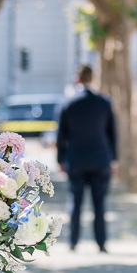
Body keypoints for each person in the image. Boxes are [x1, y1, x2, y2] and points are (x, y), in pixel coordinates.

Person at [55, 64, 117, 252]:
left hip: (76, 160)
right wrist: (114, 158)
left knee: (75, 203)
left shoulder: (67, 103)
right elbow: (112, 134)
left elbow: (60, 136)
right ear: (93, 78)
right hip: (100, 159)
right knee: (99, 204)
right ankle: (101, 243)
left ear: (77, 79)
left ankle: (73, 242)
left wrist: (60, 159)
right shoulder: (104, 103)